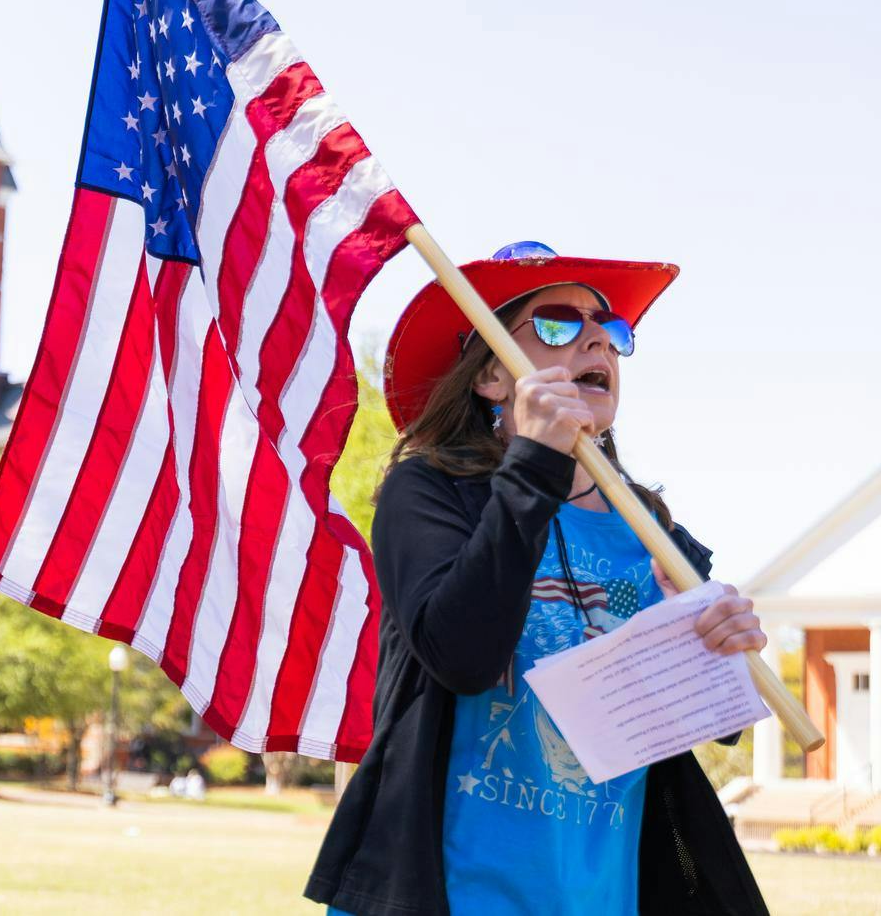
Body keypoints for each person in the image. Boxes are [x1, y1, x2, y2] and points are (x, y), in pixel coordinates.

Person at [307, 241, 770, 916]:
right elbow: (461, 655)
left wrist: (720, 651)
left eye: (612, 331)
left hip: (600, 895)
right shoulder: (431, 491)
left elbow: (699, 719)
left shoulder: (651, 530)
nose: (598, 342)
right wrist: (531, 465)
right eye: (558, 322)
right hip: (450, 892)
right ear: (492, 377)